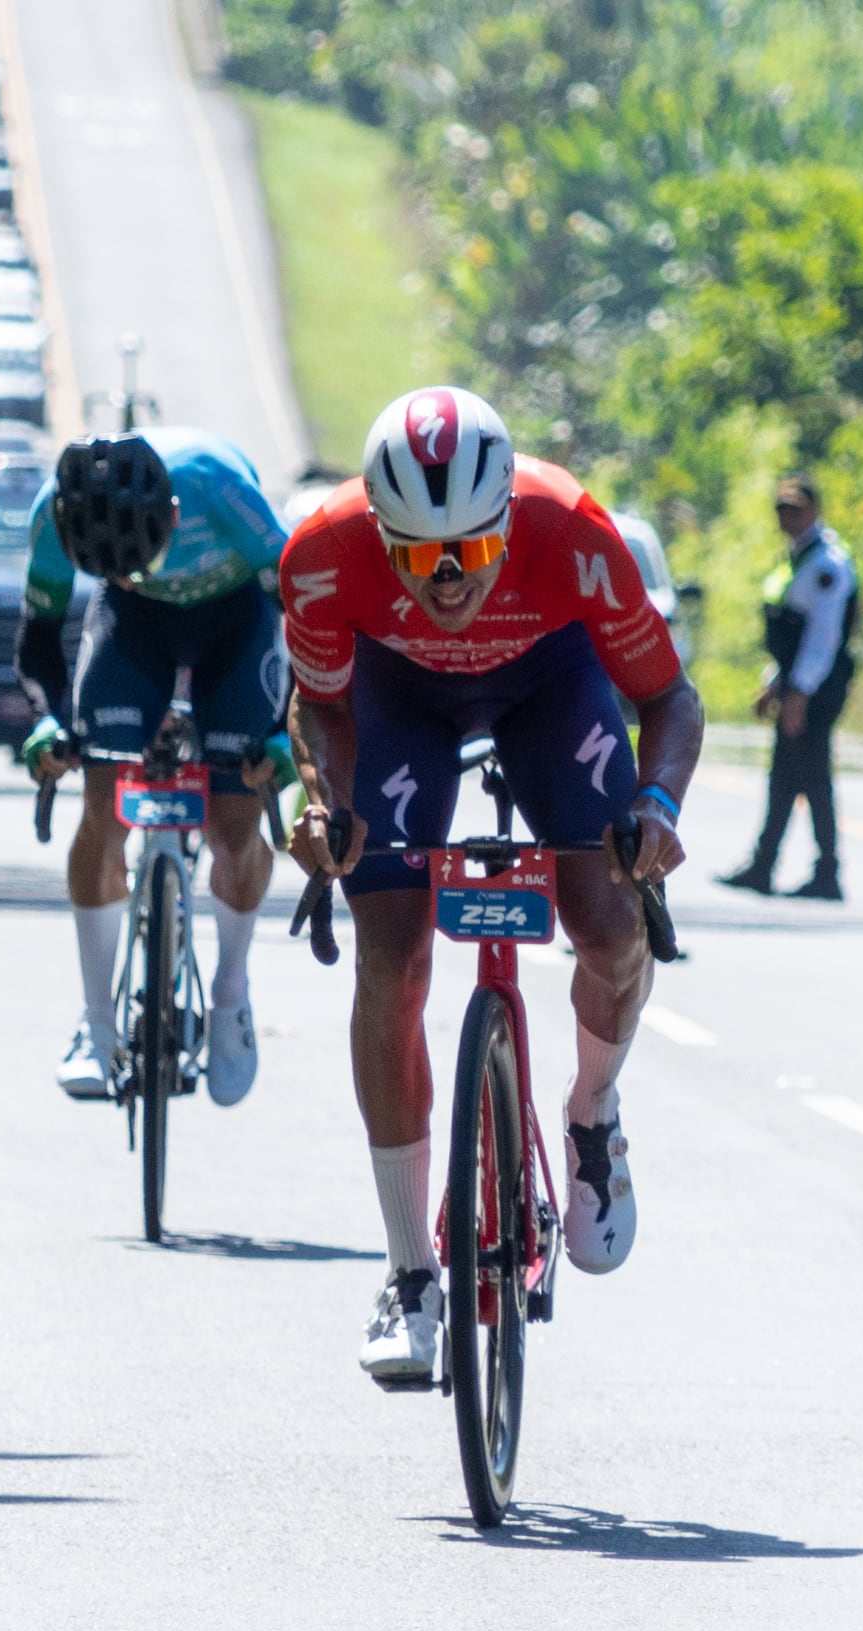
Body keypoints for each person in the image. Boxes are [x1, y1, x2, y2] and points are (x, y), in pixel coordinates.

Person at [280, 386, 702, 1388]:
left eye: (468, 551)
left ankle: (592, 1112)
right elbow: (321, 708)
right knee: (388, 955)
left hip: (547, 681)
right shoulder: (320, 554)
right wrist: (325, 804)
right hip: (399, 696)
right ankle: (408, 1274)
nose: (446, 582)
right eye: (417, 555)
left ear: (506, 519)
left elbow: (667, 700)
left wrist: (658, 809)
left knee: (605, 920)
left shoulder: (572, 532)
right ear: (378, 533)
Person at [16, 430, 292, 1109]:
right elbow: (41, 638)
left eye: (142, 558)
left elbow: (305, 617)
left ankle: (230, 992)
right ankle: (97, 1024)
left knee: (235, 822)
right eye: (114, 567)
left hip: (237, 622)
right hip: (133, 629)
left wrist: (287, 733)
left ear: (172, 515)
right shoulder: (55, 515)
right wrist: (51, 721)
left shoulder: (222, 490)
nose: (138, 573)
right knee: (103, 802)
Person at [717, 471, 858, 901]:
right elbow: (792, 637)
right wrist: (775, 683)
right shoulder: (798, 557)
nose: (787, 516)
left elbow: (822, 638)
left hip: (818, 687)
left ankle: (823, 871)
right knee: (788, 775)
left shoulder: (826, 565)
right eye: (781, 507)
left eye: (795, 508)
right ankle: (768, 865)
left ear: (814, 510)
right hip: (800, 680)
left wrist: (798, 693)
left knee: (809, 775)